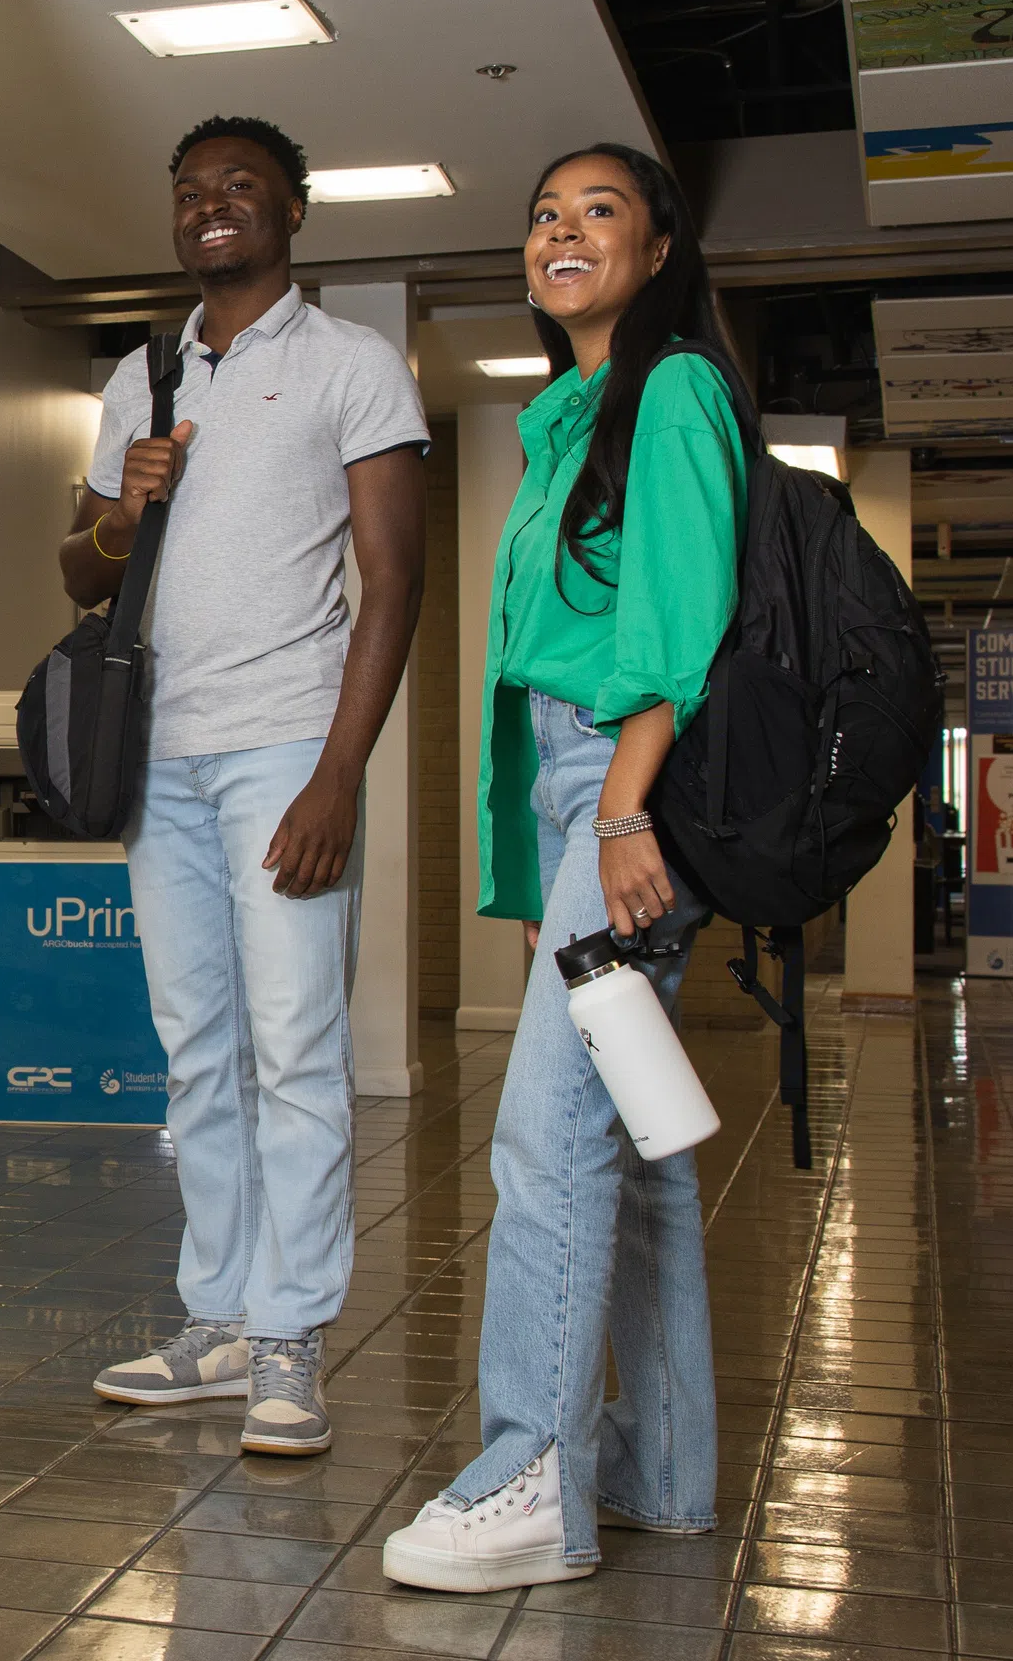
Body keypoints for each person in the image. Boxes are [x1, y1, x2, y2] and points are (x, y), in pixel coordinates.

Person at [383, 143, 751, 1592]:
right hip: (579, 796)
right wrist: (548, 852)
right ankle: (660, 1469)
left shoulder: (673, 394)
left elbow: (679, 627)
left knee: (546, 1136)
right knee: (639, 1148)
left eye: (599, 211)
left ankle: (533, 1472)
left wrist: (619, 818)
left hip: (623, 783)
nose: (562, 233)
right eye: (543, 215)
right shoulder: (562, 419)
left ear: (660, 250)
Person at [58, 116, 427, 1455]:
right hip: (160, 749)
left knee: (296, 1049)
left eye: (242, 190)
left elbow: (396, 577)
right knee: (198, 1052)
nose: (213, 208)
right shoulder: (140, 374)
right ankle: (215, 1318)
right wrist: (121, 510)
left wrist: (340, 771)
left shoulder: (350, 364)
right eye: (194, 192)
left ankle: (290, 1338)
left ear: (292, 212)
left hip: (285, 749)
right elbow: (81, 573)